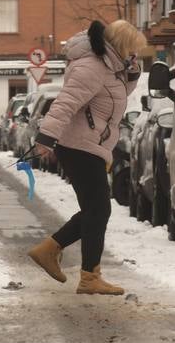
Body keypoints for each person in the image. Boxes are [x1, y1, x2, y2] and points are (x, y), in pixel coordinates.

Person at [26, 19, 151, 295]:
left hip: (89, 145)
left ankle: (53, 252)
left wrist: (131, 73)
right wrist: (46, 137)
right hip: (78, 146)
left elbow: (113, 97)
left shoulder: (109, 67)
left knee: (96, 210)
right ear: (121, 46)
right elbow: (66, 102)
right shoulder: (91, 67)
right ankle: (87, 275)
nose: (135, 56)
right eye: (133, 51)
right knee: (98, 210)